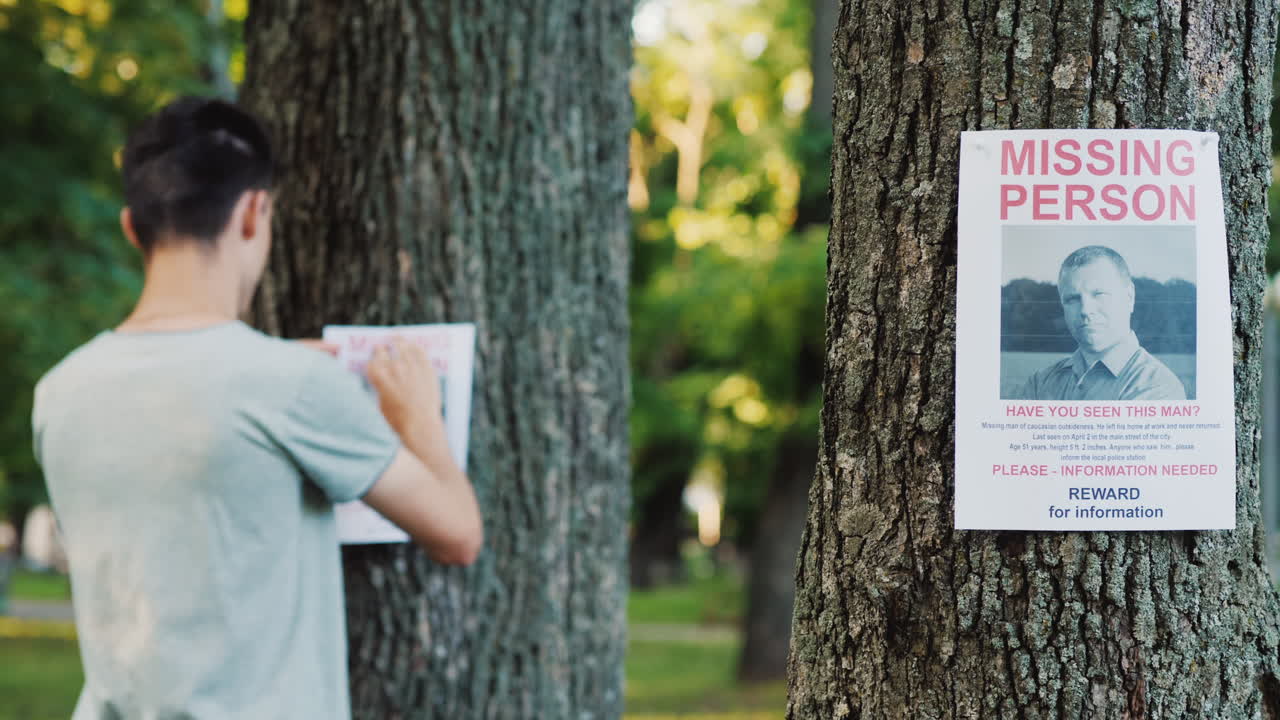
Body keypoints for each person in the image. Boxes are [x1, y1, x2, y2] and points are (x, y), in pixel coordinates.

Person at [31, 97, 483, 719]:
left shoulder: (61, 391)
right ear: (253, 212)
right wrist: (419, 418)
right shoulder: (289, 387)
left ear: (132, 228)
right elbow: (457, 535)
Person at [1012, 245, 1187, 401]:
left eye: (1099, 294)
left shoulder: (1157, 387)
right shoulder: (1040, 382)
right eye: (1073, 299)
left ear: (1129, 297)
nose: (1085, 310)